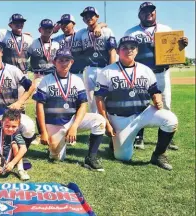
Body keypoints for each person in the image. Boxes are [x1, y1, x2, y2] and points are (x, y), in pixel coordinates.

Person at [94, 36, 178, 170]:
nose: (129, 50)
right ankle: (115, 143)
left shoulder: (145, 70)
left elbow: (154, 90)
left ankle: (159, 155)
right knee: (123, 157)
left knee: (171, 120)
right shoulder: (107, 71)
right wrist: (106, 122)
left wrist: (157, 98)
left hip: (143, 113)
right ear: (117, 51)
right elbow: (99, 98)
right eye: (124, 48)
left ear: (137, 51)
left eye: (132, 47)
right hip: (120, 117)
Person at [124, 2, 188, 150]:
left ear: (155, 12)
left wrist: (182, 46)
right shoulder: (131, 32)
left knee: (165, 105)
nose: (149, 13)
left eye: (151, 10)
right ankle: (139, 136)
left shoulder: (166, 30)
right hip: (140, 75)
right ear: (139, 15)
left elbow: (174, 51)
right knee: (140, 106)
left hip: (161, 73)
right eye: (145, 11)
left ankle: (167, 137)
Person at [33, 48, 106, 171]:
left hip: (72, 119)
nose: (64, 63)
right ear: (54, 62)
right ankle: (57, 143)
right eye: (60, 60)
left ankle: (91, 157)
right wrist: (43, 132)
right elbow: (39, 106)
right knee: (56, 158)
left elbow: (83, 105)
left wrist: (74, 126)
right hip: (54, 122)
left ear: (72, 62)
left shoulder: (77, 80)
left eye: (67, 60)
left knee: (99, 120)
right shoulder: (46, 80)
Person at [27, 19, 60, 145]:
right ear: (39, 29)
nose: (47, 30)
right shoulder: (33, 43)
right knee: (38, 106)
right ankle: (41, 134)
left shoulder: (56, 44)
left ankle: (54, 130)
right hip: (39, 76)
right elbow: (25, 57)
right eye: (45, 28)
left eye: (50, 28)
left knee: (53, 104)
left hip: (53, 75)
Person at [79, 7, 117, 113]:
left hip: (104, 67)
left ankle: (108, 126)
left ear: (97, 17)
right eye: (85, 16)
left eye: (91, 15)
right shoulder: (82, 34)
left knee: (107, 98)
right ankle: (96, 127)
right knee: (91, 101)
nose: (88, 18)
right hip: (89, 69)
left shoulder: (107, 31)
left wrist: (111, 70)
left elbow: (112, 51)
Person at [0, 109, 30, 180]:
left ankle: (20, 169)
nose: (10, 129)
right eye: (7, 126)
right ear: (2, 123)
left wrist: (12, 163)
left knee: (14, 145)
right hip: (0, 156)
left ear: (18, 125)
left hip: (12, 157)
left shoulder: (16, 134)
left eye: (14, 126)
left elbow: (24, 148)